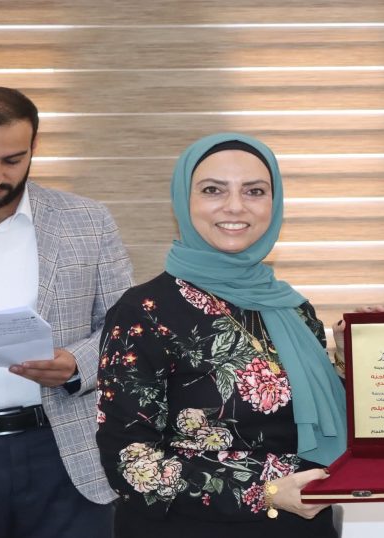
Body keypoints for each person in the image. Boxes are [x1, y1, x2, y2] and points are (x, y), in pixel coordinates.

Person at [96, 133, 346, 538]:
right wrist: (262, 491)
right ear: (184, 201)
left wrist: (355, 358)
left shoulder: (292, 308)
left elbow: (318, 419)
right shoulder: (144, 312)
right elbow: (130, 461)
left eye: (254, 191)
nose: (235, 206)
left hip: (301, 526)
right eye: (213, 190)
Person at [0, 86, 133, 538]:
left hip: (63, 452)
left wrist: (77, 365)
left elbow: (126, 330)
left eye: (13, 160)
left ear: (34, 146)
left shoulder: (89, 221)